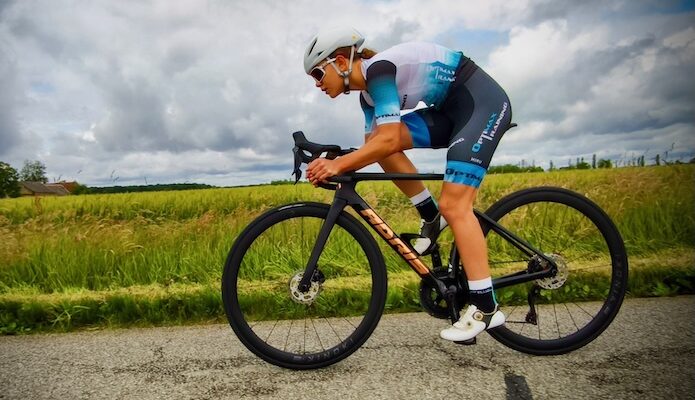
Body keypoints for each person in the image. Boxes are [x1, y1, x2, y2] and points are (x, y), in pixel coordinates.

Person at [303, 27, 511, 342]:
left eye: (318, 74)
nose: (317, 83)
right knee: (382, 145)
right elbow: (375, 146)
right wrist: (336, 160)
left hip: (482, 105)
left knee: (455, 205)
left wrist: (339, 164)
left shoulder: (379, 71)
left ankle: (485, 307)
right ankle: (430, 215)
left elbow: (386, 140)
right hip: (449, 111)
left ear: (341, 61)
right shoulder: (367, 97)